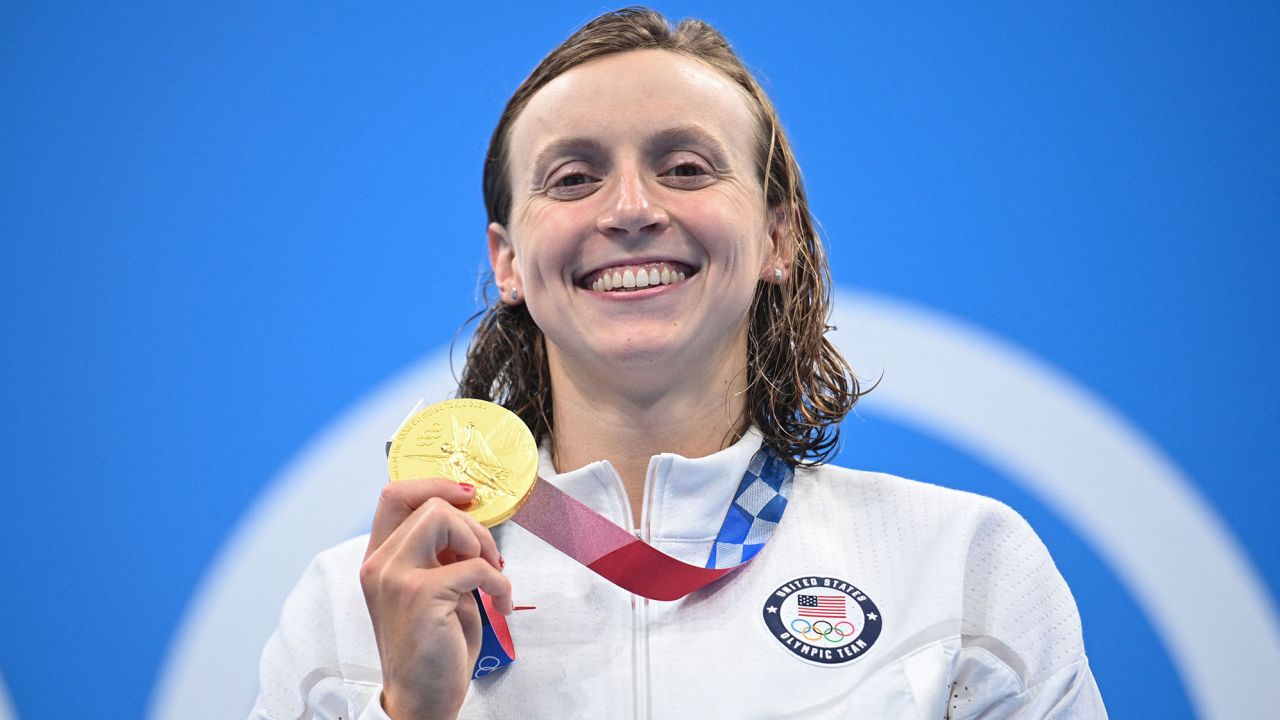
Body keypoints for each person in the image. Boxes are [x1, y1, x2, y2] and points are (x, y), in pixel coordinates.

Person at [252, 7, 1106, 719]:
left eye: (686, 167)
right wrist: (410, 709)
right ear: (507, 262)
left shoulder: (958, 565)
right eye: (574, 176)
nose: (629, 208)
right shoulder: (353, 607)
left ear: (777, 238)